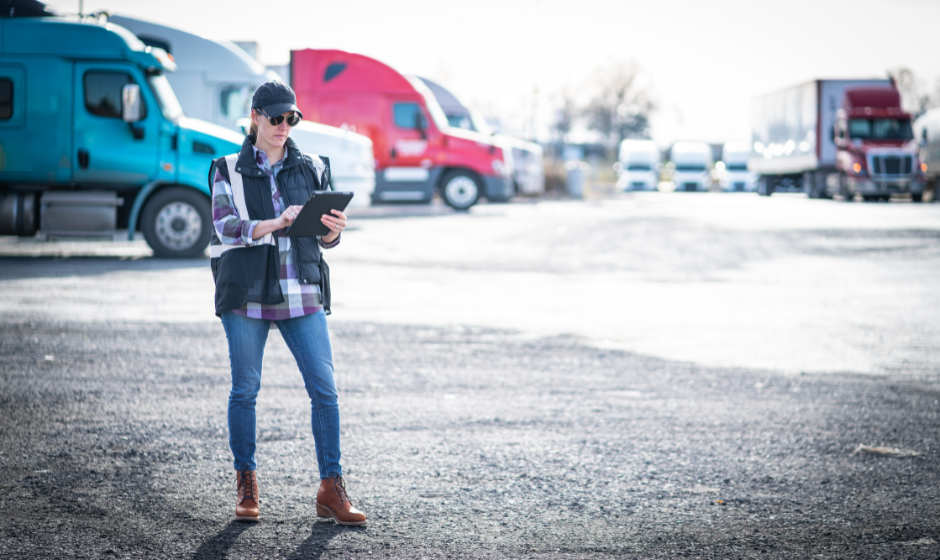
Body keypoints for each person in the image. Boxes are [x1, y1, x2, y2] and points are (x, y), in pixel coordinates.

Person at [207, 81, 366, 526]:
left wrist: (334, 229)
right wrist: (276, 222)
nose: (283, 127)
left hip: (302, 291)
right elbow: (224, 227)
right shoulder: (226, 168)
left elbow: (325, 239)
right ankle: (247, 483)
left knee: (326, 392)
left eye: (290, 118)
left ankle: (331, 488)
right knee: (245, 391)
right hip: (246, 292)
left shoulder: (314, 166)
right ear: (255, 116)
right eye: (275, 118)